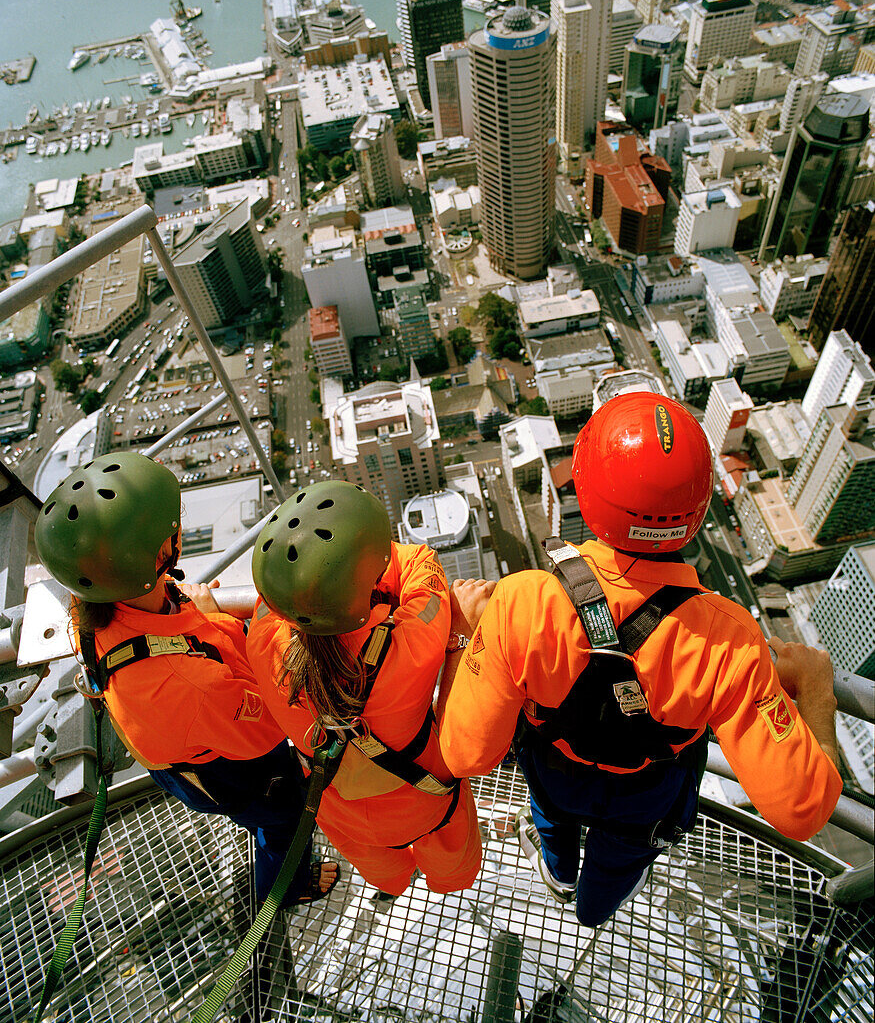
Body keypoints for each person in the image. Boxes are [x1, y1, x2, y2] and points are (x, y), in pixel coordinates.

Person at [439, 392, 842, 928]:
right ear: (696, 511)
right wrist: (817, 689)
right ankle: (593, 909)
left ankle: (558, 873)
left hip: (556, 772)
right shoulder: (730, 641)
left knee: (553, 817)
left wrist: (471, 638)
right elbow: (804, 809)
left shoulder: (524, 603)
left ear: (587, 489)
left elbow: (465, 754)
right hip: (645, 795)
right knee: (623, 856)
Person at [34, 452, 338, 908]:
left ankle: (264, 833)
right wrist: (225, 623)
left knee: (257, 808)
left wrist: (190, 611)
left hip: (183, 757)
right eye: (171, 528)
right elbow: (275, 721)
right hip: (223, 761)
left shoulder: (90, 611)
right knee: (286, 820)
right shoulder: (195, 685)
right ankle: (287, 888)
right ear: (161, 553)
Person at [246, 480, 482, 899]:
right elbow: (421, 566)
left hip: (335, 804)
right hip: (424, 792)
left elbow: (272, 600)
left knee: (378, 864)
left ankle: (393, 884)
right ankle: (448, 884)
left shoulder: (263, 645)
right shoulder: (412, 641)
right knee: (450, 853)